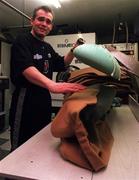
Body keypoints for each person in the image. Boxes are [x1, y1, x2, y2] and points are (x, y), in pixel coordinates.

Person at [9, 5, 85, 151]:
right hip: (25, 101)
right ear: (32, 21)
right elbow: (27, 68)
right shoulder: (22, 40)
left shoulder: (47, 47)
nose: (44, 24)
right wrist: (52, 85)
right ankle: (12, 174)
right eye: (41, 19)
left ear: (51, 26)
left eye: (48, 22)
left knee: (40, 142)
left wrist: (75, 49)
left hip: (44, 101)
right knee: (21, 147)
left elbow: (62, 63)